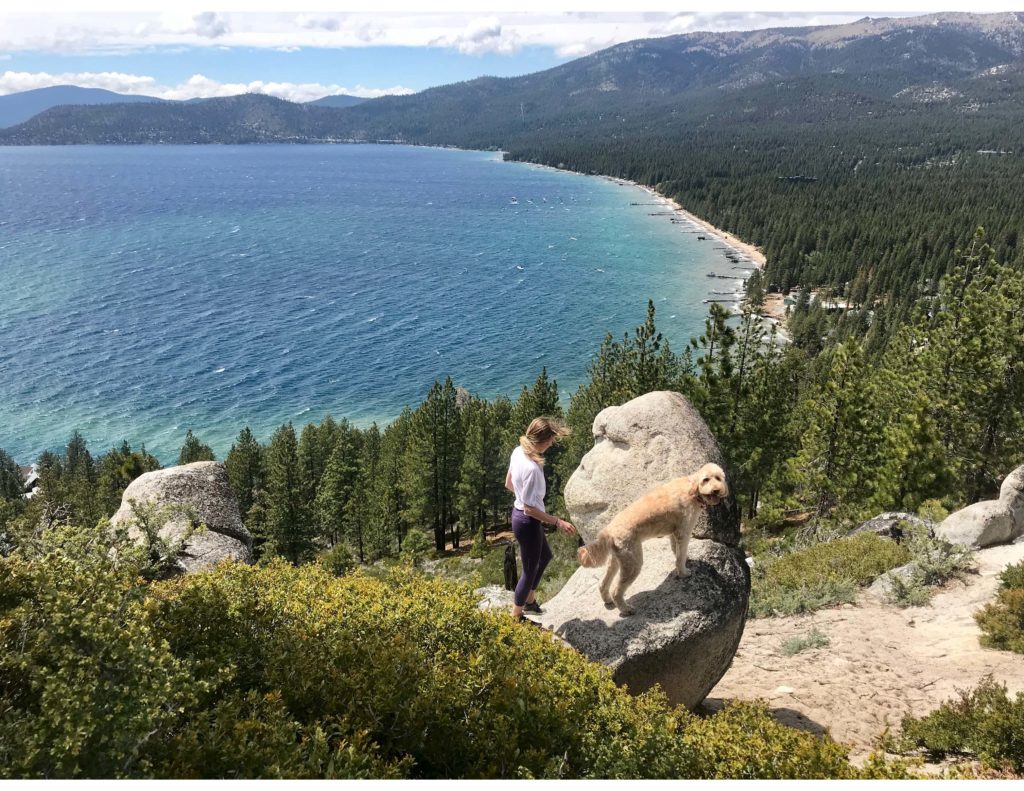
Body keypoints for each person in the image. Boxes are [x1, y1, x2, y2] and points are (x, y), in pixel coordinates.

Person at [504, 416, 576, 623]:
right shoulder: (533, 469)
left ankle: (530, 600)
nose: (553, 444)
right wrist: (558, 522)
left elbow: (508, 483)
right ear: (542, 440)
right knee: (528, 571)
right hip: (527, 522)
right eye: (551, 439)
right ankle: (516, 616)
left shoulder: (518, 452)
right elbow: (529, 509)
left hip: (520, 517)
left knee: (545, 557)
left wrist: (522, 497)